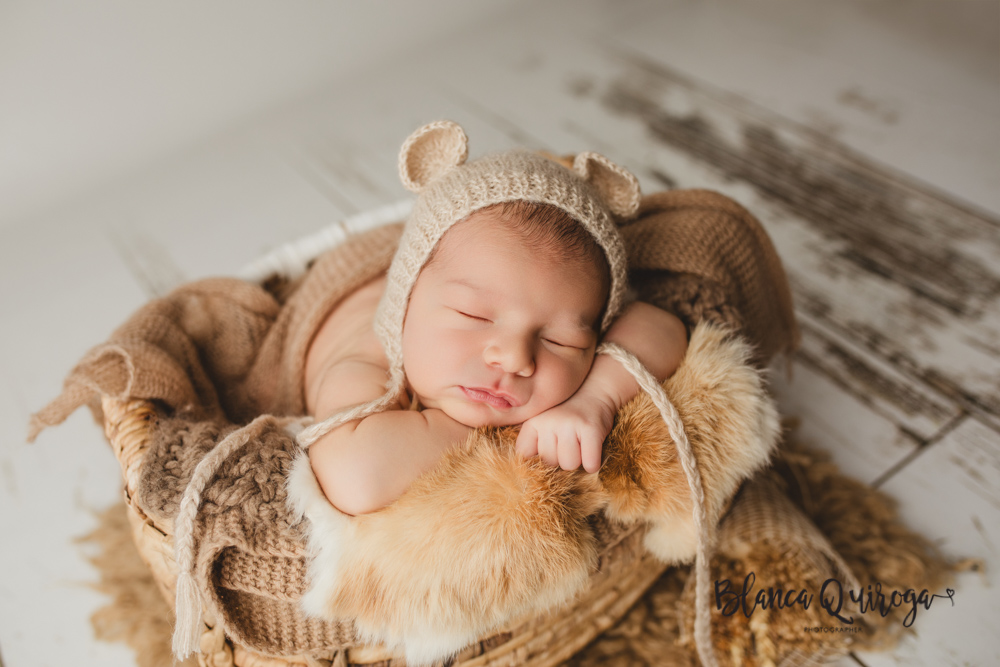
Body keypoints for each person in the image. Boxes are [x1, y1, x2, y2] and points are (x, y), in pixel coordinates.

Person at [300, 121, 688, 517]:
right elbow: (356, 477)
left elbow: (663, 327)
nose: (515, 357)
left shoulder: (531, 300)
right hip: (345, 287)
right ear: (406, 302)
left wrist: (595, 400)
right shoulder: (365, 366)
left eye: (560, 341)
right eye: (474, 315)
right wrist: (507, 436)